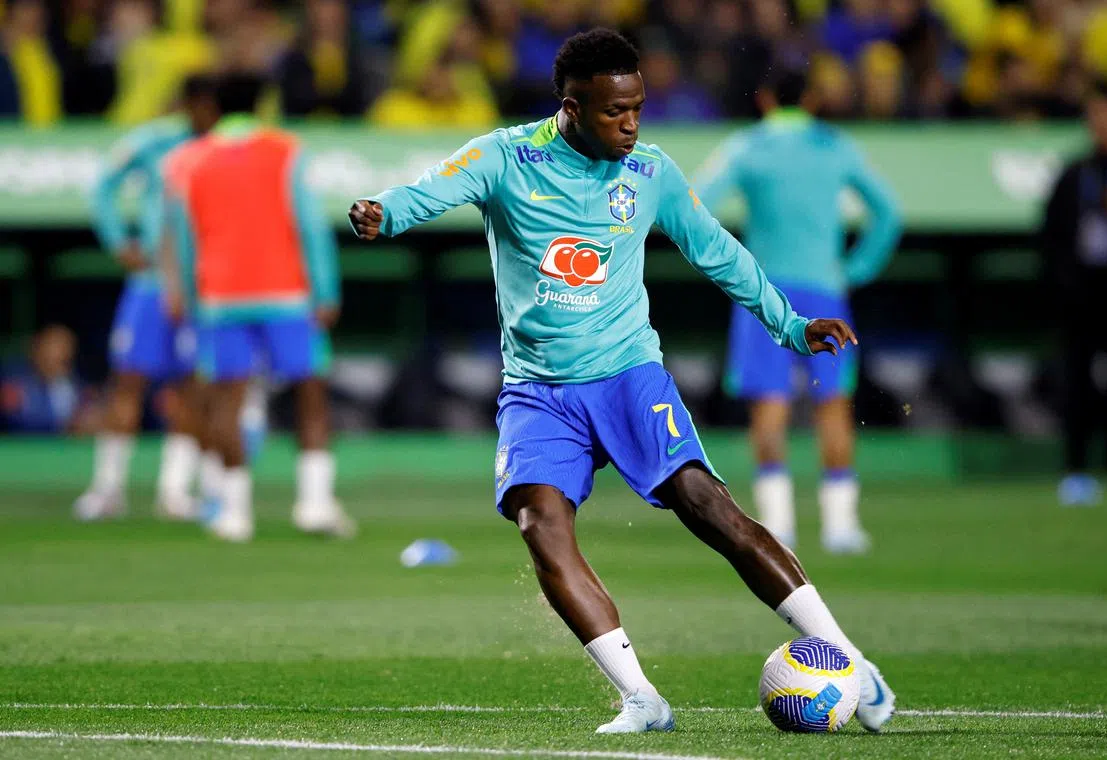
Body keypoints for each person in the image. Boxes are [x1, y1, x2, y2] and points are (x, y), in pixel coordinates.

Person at [349, 28, 895, 734]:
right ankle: (642, 697)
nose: (632, 124)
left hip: (629, 374)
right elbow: (429, 191)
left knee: (712, 510)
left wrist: (792, 325)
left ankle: (851, 661)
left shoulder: (651, 173)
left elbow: (719, 251)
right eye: (615, 113)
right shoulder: (506, 157)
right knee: (540, 527)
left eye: (638, 107)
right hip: (537, 389)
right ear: (571, 110)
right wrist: (383, 213)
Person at [694, 67, 902, 554]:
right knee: (832, 405)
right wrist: (856, 268)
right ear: (809, 100)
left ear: (766, 99)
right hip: (825, 290)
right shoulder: (836, 147)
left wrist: (730, 264)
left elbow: (696, 204)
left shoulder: (747, 146)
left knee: (769, 406)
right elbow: (888, 212)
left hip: (762, 291)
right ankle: (841, 527)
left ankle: (778, 525)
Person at [168, 73, 353, 543]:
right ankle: (313, 504)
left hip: (220, 297)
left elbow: (185, 241)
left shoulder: (188, 161)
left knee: (227, 398)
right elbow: (310, 224)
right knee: (310, 393)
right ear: (262, 104)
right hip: (285, 294)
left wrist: (193, 299)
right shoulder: (286, 151)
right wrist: (326, 290)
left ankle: (234, 513)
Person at [74, 74, 220, 523]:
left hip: (207, 286)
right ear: (189, 104)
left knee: (194, 386)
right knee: (129, 380)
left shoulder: (226, 149)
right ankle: (107, 489)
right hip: (153, 282)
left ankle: (174, 494)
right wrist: (119, 240)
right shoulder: (156, 143)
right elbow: (103, 186)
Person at [1042, 81, 1107, 506]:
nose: (1103, 124)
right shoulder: (1073, 174)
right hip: (1080, 292)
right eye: (1095, 116)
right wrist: (1064, 284)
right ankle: (1076, 464)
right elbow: (1051, 234)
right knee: (1077, 378)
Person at [0, 325, 95, 434]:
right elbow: (17, 419)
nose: (61, 354)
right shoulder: (13, 379)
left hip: (64, 449)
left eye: (65, 349)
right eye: (54, 347)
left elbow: (90, 414)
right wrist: (66, 425)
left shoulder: (77, 386)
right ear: (36, 348)